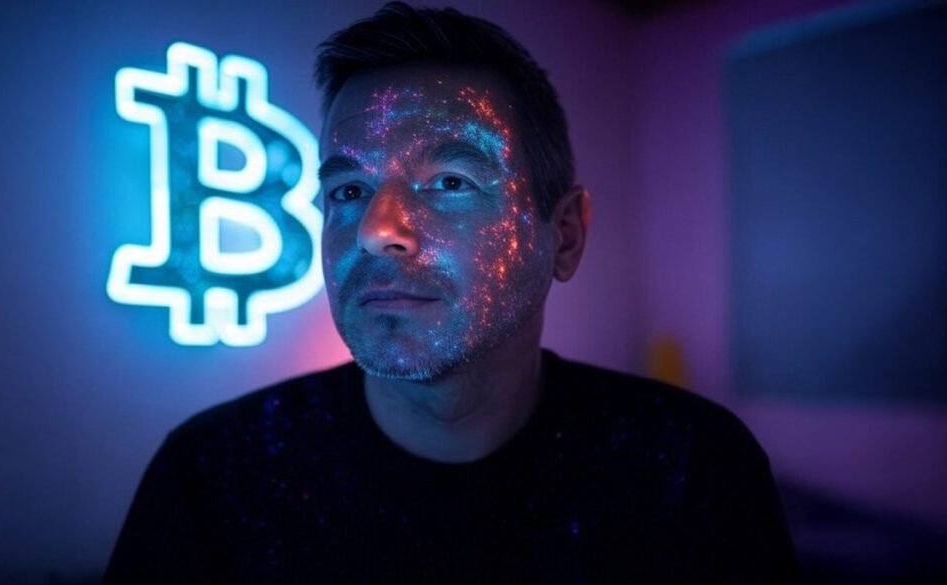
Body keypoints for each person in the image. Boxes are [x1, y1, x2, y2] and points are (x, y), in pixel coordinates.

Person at [104, 3, 799, 582]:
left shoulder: (690, 468)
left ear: (562, 236)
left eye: (449, 182)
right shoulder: (213, 476)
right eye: (347, 190)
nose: (376, 230)